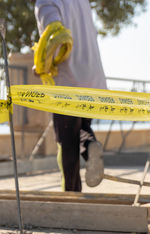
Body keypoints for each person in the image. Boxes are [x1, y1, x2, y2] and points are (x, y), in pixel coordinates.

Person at [34, 0, 105, 192]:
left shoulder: (46, 3)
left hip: (68, 82)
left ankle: (70, 197)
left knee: (67, 143)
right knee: (82, 128)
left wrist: (40, 66)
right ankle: (90, 147)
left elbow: (56, 39)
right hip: (91, 78)